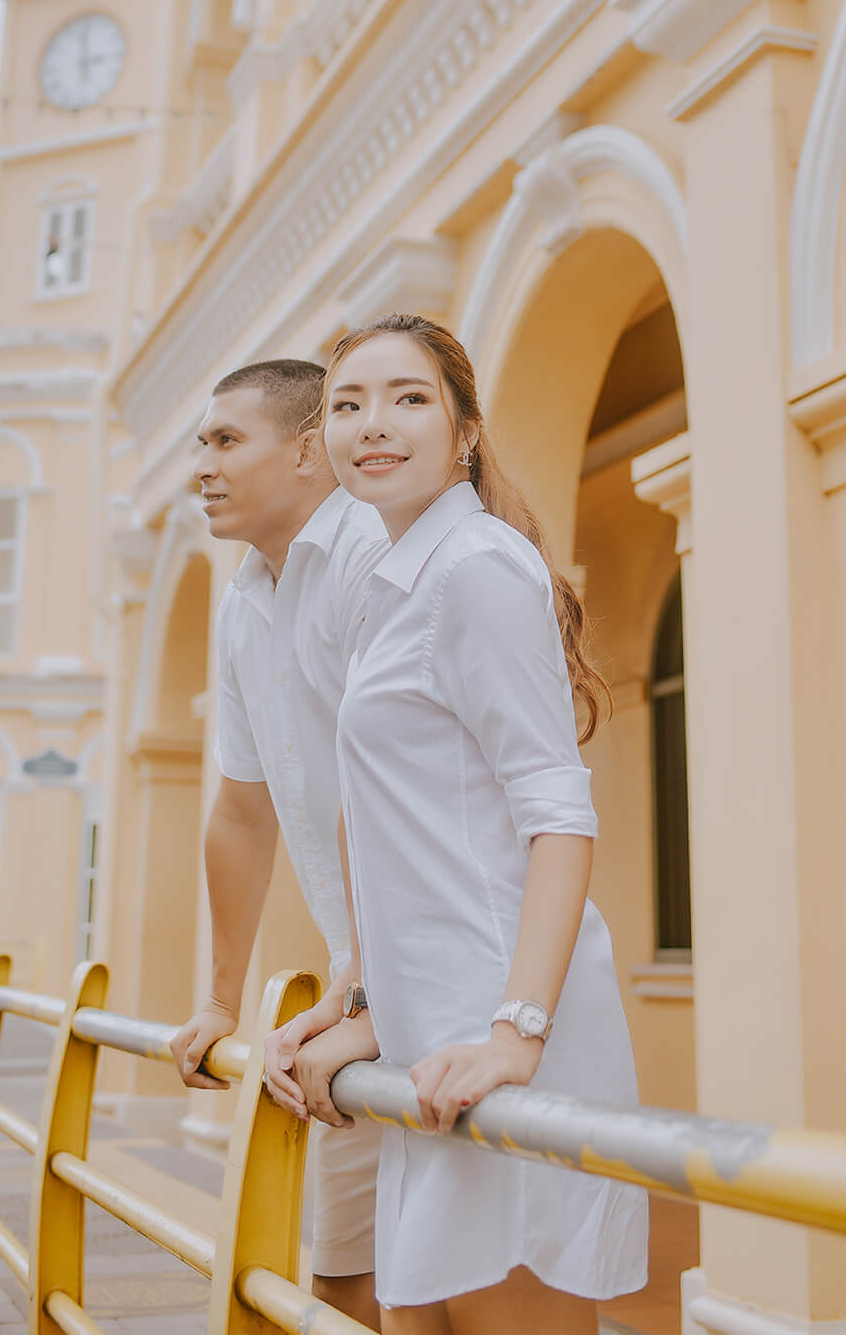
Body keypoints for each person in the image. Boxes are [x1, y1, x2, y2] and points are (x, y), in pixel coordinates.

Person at [261, 314, 648, 1335]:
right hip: (431, 1048)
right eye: (347, 404)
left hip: (491, 1044)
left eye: (407, 397)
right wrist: (356, 999)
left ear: (465, 429)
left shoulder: (474, 565)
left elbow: (556, 810)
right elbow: (414, 840)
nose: (372, 423)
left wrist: (515, 1034)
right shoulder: (395, 585)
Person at [167, 358, 388, 1332]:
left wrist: (373, 990)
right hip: (361, 998)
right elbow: (239, 812)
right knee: (346, 1285)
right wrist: (217, 998)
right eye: (199, 445)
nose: (200, 467)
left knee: (457, 1294)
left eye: (223, 440)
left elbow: (404, 798)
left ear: (306, 449)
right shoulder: (245, 598)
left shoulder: (375, 559)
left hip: (453, 984)